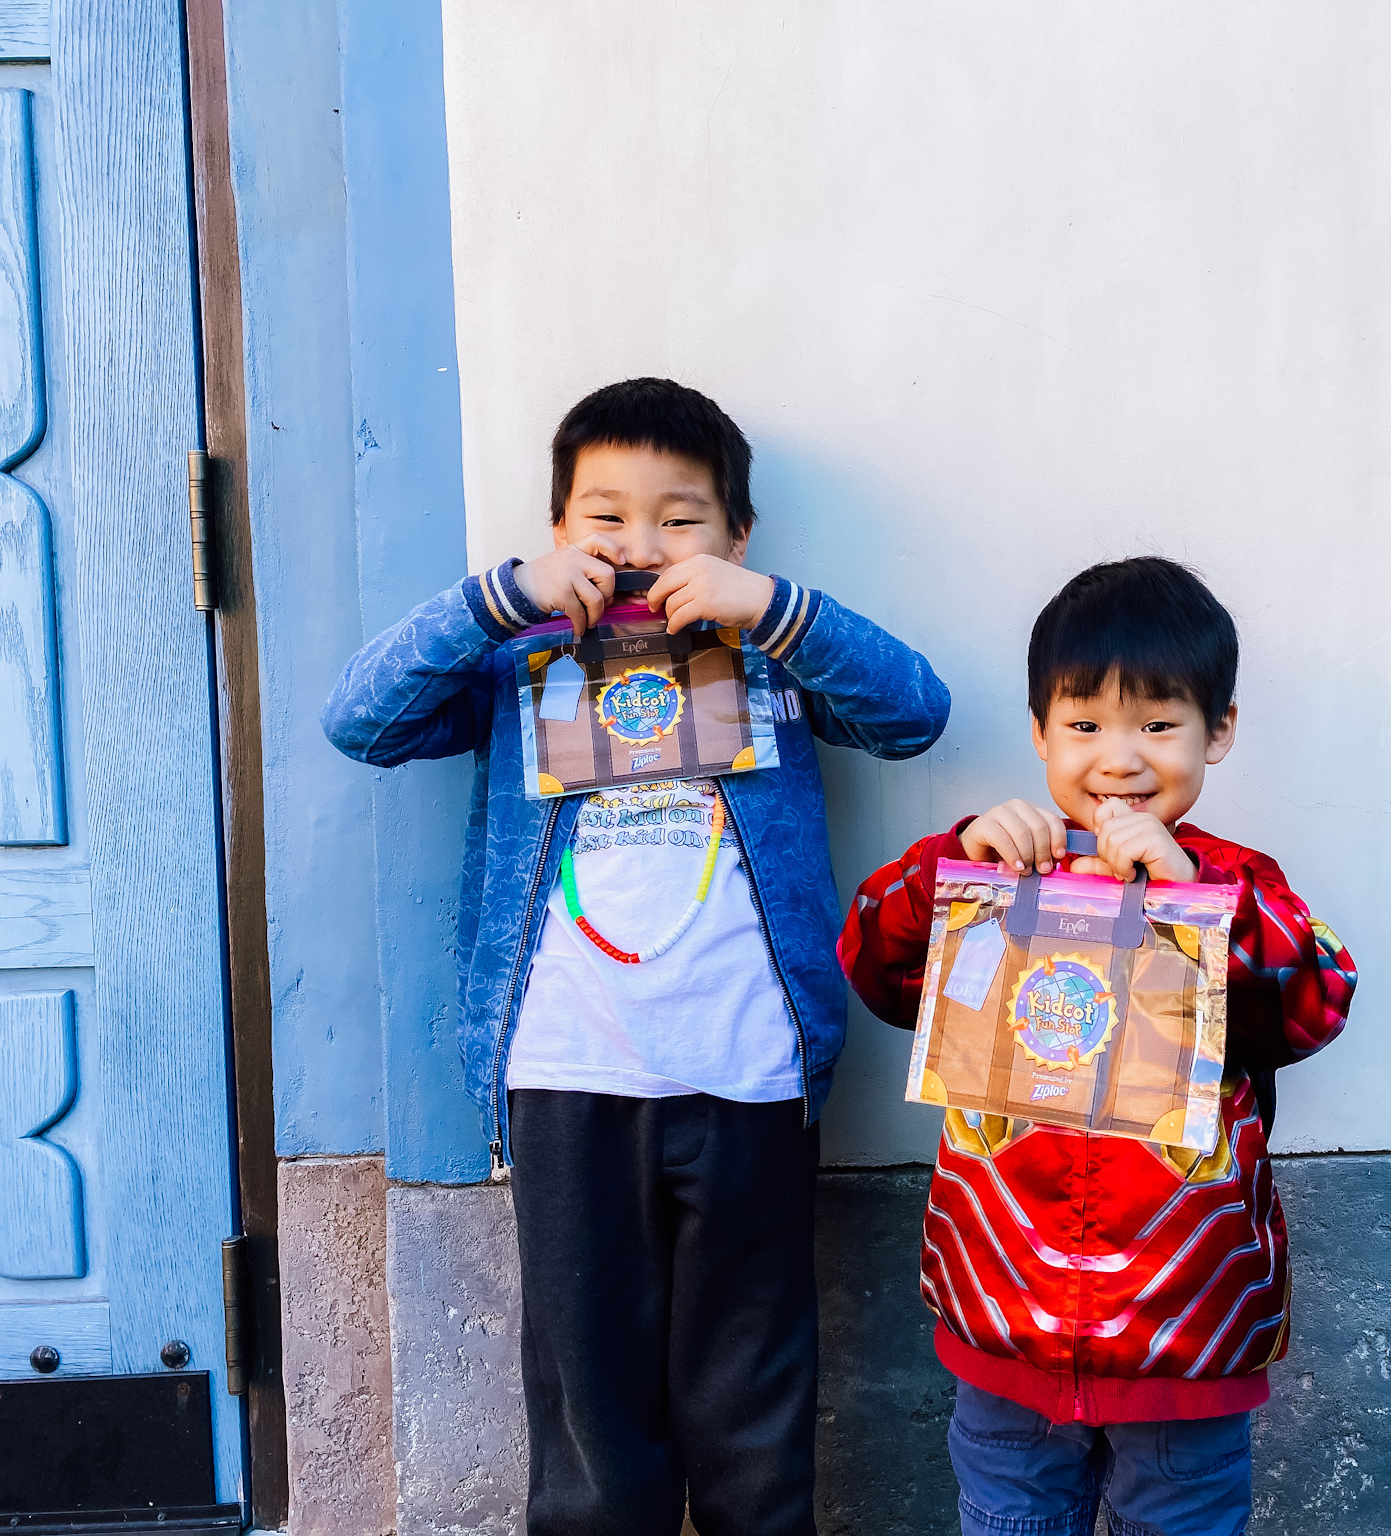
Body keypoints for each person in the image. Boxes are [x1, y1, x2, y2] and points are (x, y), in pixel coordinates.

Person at [323, 377, 950, 1536]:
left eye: (681, 518)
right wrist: (500, 602)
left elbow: (913, 712)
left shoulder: (767, 659)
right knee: (589, 1421)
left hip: (749, 1073)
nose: (640, 543)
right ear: (560, 533)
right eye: (604, 517)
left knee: (751, 1405)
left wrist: (767, 609)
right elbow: (361, 721)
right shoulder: (521, 664)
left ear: (735, 538)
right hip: (569, 1075)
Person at [839, 556, 1356, 1536]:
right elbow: (874, 968)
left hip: (1184, 1332)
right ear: (1038, 734)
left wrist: (1191, 900)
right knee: (1005, 1520)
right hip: (1004, 1322)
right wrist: (946, 868)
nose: (1118, 760)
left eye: (1158, 725)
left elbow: (1314, 1000)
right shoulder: (993, 873)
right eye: (1083, 726)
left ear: (1220, 732)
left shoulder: (1237, 883)